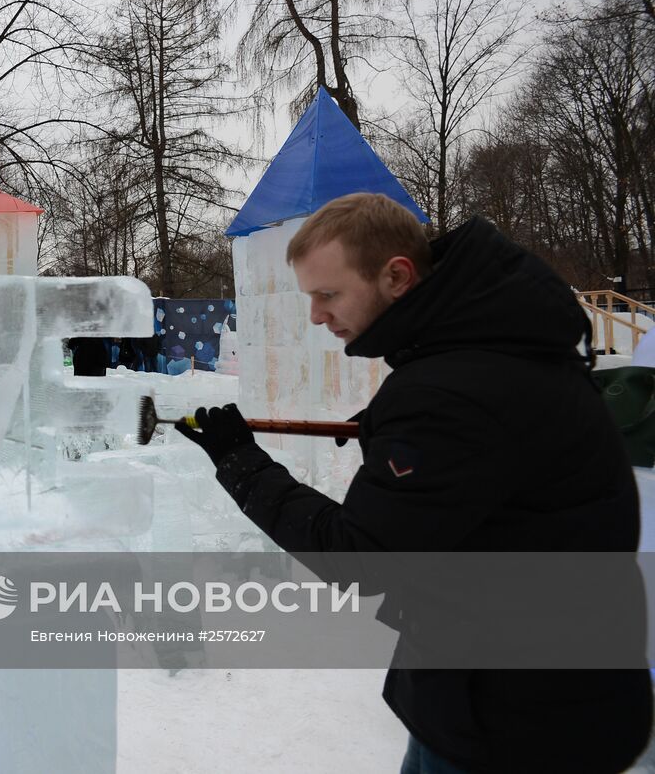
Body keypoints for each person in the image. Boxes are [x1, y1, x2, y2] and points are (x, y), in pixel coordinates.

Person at [177, 192, 652, 773]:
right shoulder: (499, 342)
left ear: (397, 276)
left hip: (516, 720)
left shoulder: (449, 391)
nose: (316, 316)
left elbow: (362, 559)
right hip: (533, 684)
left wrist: (239, 461)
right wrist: (390, 436)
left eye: (328, 294)